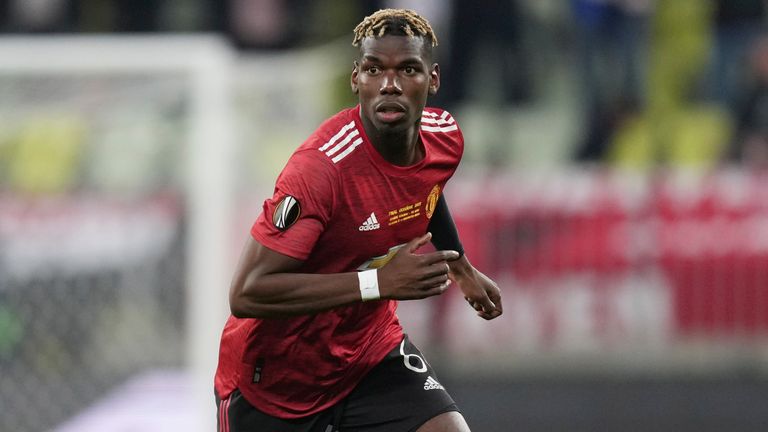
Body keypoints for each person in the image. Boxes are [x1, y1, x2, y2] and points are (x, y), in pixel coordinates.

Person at [214, 8, 503, 432]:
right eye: (374, 70)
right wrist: (379, 284)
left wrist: (460, 265)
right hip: (275, 382)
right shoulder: (321, 170)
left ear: (433, 79)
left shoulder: (444, 138)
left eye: (407, 69)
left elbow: (427, 188)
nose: (390, 85)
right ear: (356, 80)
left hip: (367, 352)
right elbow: (247, 293)